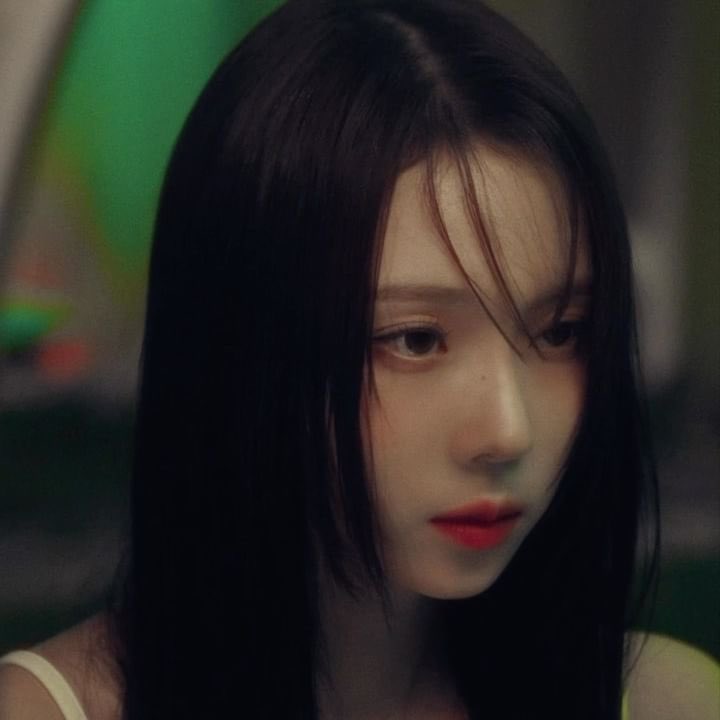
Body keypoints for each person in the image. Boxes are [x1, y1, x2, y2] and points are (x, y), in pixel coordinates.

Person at [1, 0, 718, 718]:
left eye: (560, 332)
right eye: (415, 339)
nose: (508, 431)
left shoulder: (662, 702)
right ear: (247, 346)